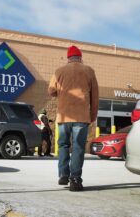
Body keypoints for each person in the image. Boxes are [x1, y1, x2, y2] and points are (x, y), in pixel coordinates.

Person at [48, 45, 99, 191]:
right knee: (78, 147)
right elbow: (95, 97)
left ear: (68, 58)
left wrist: (61, 91)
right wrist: (93, 115)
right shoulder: (89, 71)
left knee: (63, 145)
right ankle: (75, 180)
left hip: (64, 117)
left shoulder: (59, 71)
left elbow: (51, 91)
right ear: (80, 57)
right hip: (82, 117)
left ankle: (63, 174)